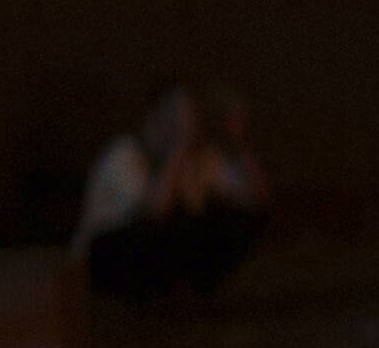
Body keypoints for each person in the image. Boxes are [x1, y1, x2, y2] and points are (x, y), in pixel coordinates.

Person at [73, 87, 269, 308]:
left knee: (227, 223)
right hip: (102, 256)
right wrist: (179, 148)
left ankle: (190, 294)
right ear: (154, 118)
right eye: (175, 118)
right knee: (159, 229)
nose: (184, 127)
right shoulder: (124, 153)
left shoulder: (194, 158)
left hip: (141, 249)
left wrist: (237, 142)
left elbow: (254, 201)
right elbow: (153, 212)